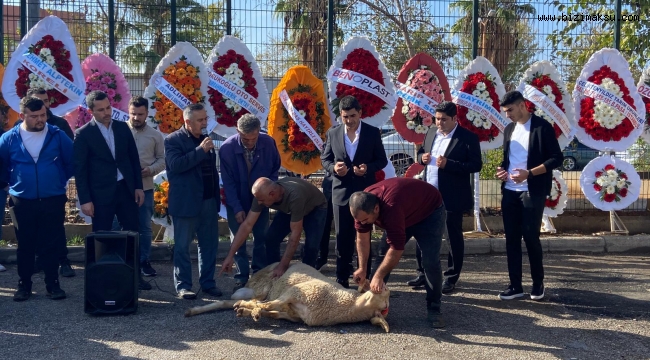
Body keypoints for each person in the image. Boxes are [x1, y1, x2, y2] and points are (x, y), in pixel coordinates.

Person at [73, 91, 150, 290]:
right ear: (91, 111)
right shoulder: (83, 134)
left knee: (133, 234)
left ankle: (135, 276)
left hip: (126, 191)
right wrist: (85, 200)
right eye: (101, 110)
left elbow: (133, 159)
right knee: (102, 237)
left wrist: (138, 187)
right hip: (100, 195)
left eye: (108, 107)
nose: (107, 112)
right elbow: (80, 171)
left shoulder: (122, 128)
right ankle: (102, 280)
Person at [0, 96, 74, 301]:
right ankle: (24, 285)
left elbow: (71, 161)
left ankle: (53, 285)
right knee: (25, 244)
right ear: (23, 115)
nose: (40, 119)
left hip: (53, 198)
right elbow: (2, 164)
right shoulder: (9, 138)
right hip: (22, 201)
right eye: (34, 116)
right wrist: (9, 184)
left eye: (43, 115)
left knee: (50, 243)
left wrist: (59, 180)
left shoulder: (57, 136)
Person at [406, 101, 482, 293]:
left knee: (451, 237)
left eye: (444, 120)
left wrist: (450, 164)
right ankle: (423, 272)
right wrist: (420, 158)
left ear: (455, 119)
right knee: (421, 232)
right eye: (437, 119)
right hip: (427, 193)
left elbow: (475, 165)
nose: (439, 123)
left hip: (451, 196)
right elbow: (422, 152)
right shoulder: (431, 133)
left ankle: (451, 276)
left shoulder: (467, 138)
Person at [349, 177, 447, 328]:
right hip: (405, 209)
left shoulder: (391, 208)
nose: (362, 223)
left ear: (376, 208)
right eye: (359, 220)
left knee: (430, 261)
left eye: (365, 220)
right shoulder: (361, 206)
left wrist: (378, 276)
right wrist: (362, 268)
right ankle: (372, 305)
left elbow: (396, 249)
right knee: (382, 255)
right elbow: (362, 238)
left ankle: (434, 308)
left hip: (429, 213)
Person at [495, 90, 562, 301]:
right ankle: (515, 286)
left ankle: (538, 284)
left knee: (531, 237)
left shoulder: (542, 127)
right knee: (511, 240)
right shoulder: (509, 129)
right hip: (510, 192)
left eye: (510, 110)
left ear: (523, 105)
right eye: (505, 111)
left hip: (532, 191)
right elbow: (508, 159)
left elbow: (556, 158)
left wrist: (530, 173)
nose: (507, 115)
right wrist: (502, 171)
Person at [321, 95, 387, 288]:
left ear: (360, 113)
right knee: (342, 237)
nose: (349, 120)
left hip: (365, 193)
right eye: (345, 117)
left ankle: (364, 276)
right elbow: (324, 159)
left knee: (363, 234)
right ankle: (341, 278)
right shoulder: (333, 133)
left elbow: (381, 160)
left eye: (352, 116)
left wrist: (367, 168)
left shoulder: (372, 133)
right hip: (340, 193)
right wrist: (333, 168)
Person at [165, 103, 221, 300]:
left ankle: (208, 283)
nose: (205, 123)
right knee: (182, 246)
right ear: (187, 122)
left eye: (205, 119)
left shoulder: (205, 139)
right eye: (200, 120)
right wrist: (200, 150)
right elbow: (176, 165)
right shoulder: (173, 140)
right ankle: (183, 286)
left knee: (209, 246)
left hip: (208, 201)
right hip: (186, 203)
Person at [220, 177, 327, 279]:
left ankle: (306, 276)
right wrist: (230, 256)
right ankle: (274, 273)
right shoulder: (261, 196)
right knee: (271, 239)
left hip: (316, 208)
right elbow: (247, 225)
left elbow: (296, 234)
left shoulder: (294, 196)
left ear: (272, 194)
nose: (259, 203)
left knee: (312, 246)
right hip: (289, 209)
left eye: (261, 200)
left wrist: (283, 265)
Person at [219, 114, 280, 291]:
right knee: (238, 238)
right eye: (246, 139)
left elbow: (275, 168)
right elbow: (228, 182)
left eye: (254, 138)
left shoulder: (268, 142)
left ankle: (259, 273)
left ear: (259, 132)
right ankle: (241, 276)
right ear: (238, 131)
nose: (250, 143)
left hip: (262, 199)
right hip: (236, 198)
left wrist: (268, 194)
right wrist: (237, 207)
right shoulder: (227, 148)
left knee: (261, 237)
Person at [24, 88, 76, 277]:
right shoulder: (18, 127)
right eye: (38, 101)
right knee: (32, 228)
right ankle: (40, 261)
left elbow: (71, 156)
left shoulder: (59, 125)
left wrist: (60, 177)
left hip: (53, 189)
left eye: (45, 101)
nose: (43, 105)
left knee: (56, 228)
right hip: (28, 192)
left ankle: (63, 261)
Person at [126, 96, 166, 277]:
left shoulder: (155, 135)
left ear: (147, 114)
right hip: (122, 187)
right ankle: (123, 260)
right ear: (129, 111)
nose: (136, 118)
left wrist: (150, 169)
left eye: (140, 114)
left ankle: (144, 261)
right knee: (121, 224)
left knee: (144, 226)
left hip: (146, 186)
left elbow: (163, 159)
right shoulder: (120, 131)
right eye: (133, 114)